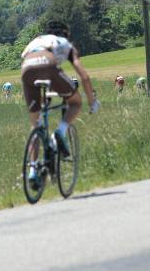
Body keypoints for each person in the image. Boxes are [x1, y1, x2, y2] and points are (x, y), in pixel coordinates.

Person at [20, 20, 99, 190]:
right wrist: (92, 102)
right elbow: (84, 77)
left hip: (26, 68)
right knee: (76, 102)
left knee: (36, 124)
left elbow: (31, 64)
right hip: (47, 64)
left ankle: (33, 169)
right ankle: (60, 133)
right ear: (65, 35)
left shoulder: (36, 40)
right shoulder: (66, 44)